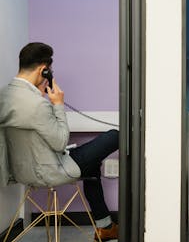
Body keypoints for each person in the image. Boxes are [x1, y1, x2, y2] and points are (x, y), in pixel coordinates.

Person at [0, 42, 119, 241]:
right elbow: (60, 143)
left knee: (91, 167)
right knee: (115, 136)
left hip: (21, 172)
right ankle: (106, 227)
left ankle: (105, 226)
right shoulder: (38, 104)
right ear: (43, 70)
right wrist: (58, 105)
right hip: (51, 170)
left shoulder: (4, 96)